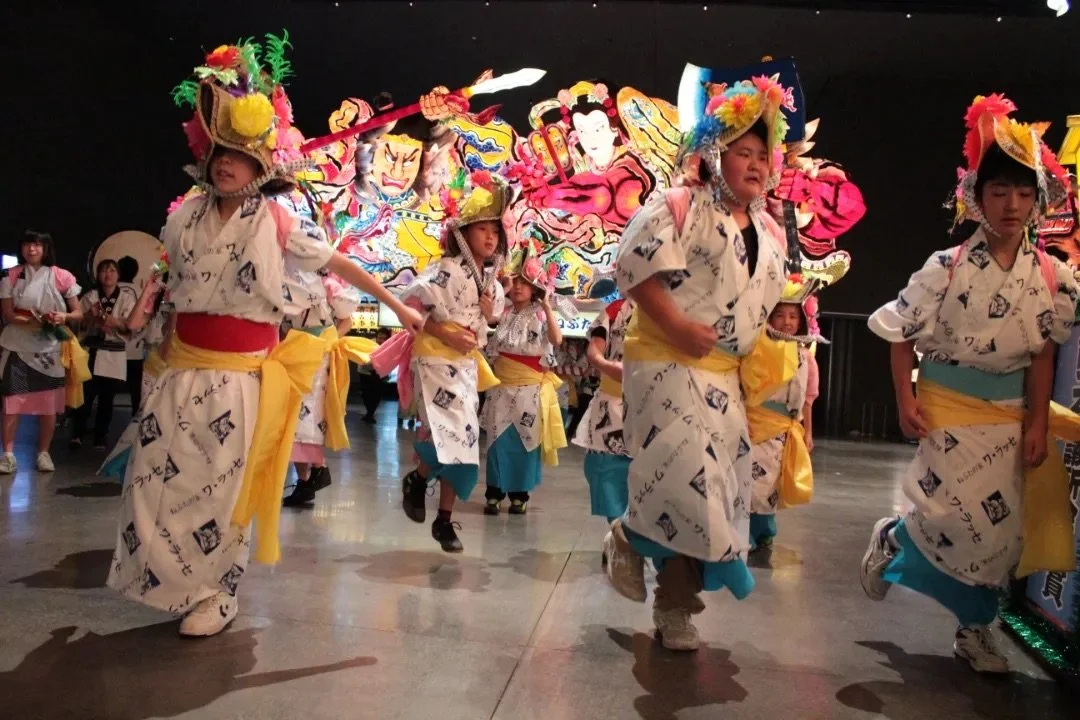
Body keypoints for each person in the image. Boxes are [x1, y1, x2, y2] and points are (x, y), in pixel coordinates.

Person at [106, 36, 423, 638]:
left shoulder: (277, 221)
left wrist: (398, 306)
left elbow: (339, 264)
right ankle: (167, 580)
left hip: (239, 377)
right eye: (219, 152)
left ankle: (217, 592)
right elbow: (166, 285)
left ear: (261, 165)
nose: (226, 163)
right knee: (156, 478)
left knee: (224, 489)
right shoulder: (182, 218)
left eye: (240, 155)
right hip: (180, 369)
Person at [859, 94, 1080, 673]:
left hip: (1009, 414)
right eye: (999, 192)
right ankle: (896, 538)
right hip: (948, 406)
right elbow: (900, 332)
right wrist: (904, 397)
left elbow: (1043, 355)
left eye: (1024, 193)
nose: (1012, 205)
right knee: (952, 518)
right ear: (977, 198)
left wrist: (1038, 422)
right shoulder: (946, 266)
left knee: (1000, 538)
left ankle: (974, 631)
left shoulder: (1054, 277)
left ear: (1039, 199)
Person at [604, 75, 795, 651]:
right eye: (743, 152)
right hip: (667, 362)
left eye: (763, 154)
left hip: (725, 378)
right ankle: (636, 539)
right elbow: (632, 267)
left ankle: (670, 597)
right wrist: (679, 326)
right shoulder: (679, 206)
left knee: (709, 494)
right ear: (715, 154)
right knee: (691, 484)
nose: (756, 164)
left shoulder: (771, 230)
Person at [374, 170, 508, 553]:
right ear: (462, 233)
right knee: (451, 435)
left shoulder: (493, 283)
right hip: (434, 359)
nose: (490, 237)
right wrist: (444, 332)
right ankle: (429, 497)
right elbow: (411, 309)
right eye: (482, 229)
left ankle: (436, 506)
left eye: (495, 231)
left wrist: (490, 314)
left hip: (465, 365)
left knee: (465, 439)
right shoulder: (445, 269)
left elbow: (490, 321)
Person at [481, 243, 566, 515]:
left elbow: (557, 340)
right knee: (497, 442)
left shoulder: (540, 314)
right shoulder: (503, 312)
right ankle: (494, 493)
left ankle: (520, 495)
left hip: (530, 390)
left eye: (524, 282)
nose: (518, 287)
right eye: (515, 281)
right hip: (500, 387)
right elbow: (486, 321)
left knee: (525, 441)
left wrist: (548, 308)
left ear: (534, 287)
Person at [0, 230, 85, 473]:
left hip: (49, 349)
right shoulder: (11, 275)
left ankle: (43, 453)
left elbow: (78, 313)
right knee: (11, 402)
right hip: (18, 347)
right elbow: (8, 314)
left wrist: (62, 317)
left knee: (48, 405)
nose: (32, 249)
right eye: (28, 244)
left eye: (37, 245)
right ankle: (8, 454)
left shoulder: (61, 276)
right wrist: (32, 321)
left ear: (46, 249)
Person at [747, 286, 821, 550]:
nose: (787, 322)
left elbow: (808, 398)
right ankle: (747, 532)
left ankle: (764, 530)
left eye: (793, 316)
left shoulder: (805, 356)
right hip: (757, 423)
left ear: (801, 320)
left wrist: (807, 431)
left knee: (773, 484)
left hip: (786, 427)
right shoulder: (758, 348)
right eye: (780, 315)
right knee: (753, 482)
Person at [573, 289, 635, 538]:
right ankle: (619, 532)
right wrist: (606, 365)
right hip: (612, 402)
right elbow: (594, 350)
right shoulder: (614, 310)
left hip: (657, 403)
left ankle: (637, 535)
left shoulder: (674, 309)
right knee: (605, 467)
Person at [70, 259, 137, 450]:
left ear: (118, 275)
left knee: (108, 398)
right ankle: (77, 433)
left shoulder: (126, 298)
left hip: (114, 352)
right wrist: (90, 316)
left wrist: (109, 319)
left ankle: (100, 435)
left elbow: (130, 325)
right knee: (85, 395)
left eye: (112, 271)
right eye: (104, 271)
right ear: (98, 275)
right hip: (92, 350)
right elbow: (77, 323)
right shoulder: (90, 296)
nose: (108, 274)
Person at [359, 328, 392, 423]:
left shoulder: (390, 346)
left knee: (377, 394)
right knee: (365, 394)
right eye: (380, 338)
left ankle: (370, 413)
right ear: (376, 337)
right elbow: (362, 358)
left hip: (379, 374)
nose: (381, 341)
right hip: (365, 372)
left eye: (384, 339)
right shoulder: (369, 344)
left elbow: (390, 361)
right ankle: (369, 413)